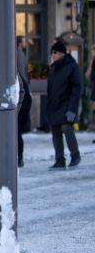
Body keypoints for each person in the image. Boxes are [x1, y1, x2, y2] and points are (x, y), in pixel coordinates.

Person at [46, 40, 82, 169]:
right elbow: (50, 89)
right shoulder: (53, 67)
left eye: (55, 52)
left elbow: (77, 88)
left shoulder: (71, 66)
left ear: (62, 53)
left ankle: (75, 155)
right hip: (55, 105)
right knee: (55, 132)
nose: (52, 55)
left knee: (66, 128)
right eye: (51, 52)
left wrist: (72, 109)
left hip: (67, 105)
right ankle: (60, 160)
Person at [16, 36, 32, 167]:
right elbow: (22, 71)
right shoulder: (18, 53)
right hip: (19, 86)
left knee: (16, 134)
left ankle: (18, 157)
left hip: (20, 91)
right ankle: (19, 157)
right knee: (16, 134)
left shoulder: (19, 52)